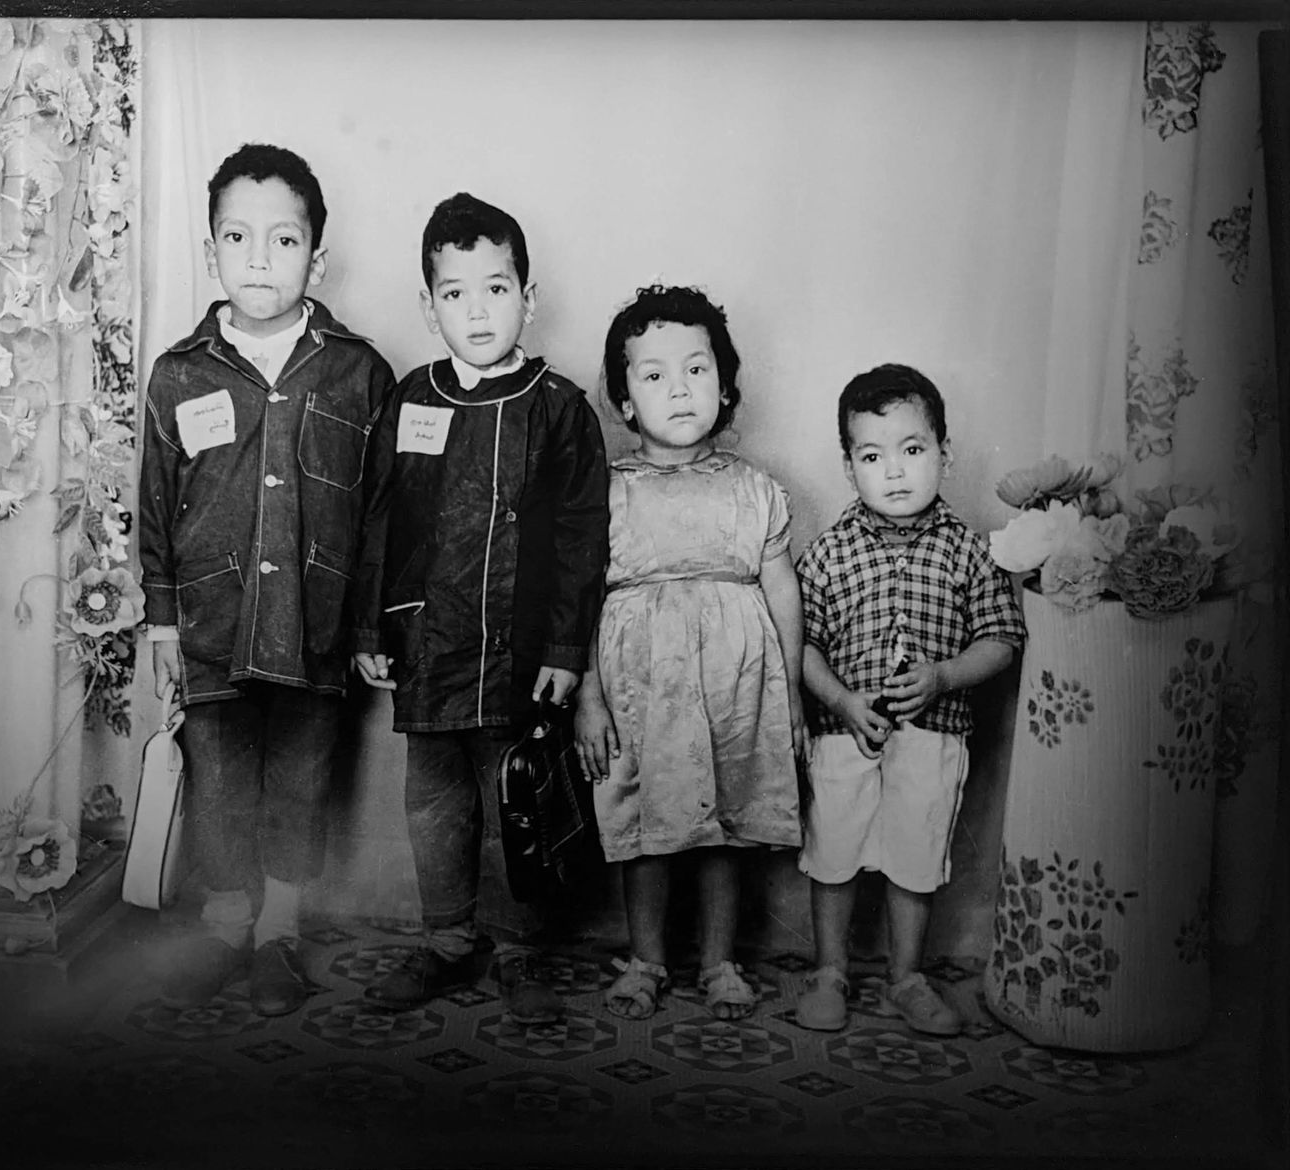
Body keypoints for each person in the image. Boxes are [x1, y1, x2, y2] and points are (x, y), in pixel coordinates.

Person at [138, 143, 396, 1017]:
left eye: (283, 241)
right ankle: (224, 925)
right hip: (212, 622)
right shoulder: (179, 373)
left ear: (316, 257)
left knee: (299, 779)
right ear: (210, 249)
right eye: (237, 237)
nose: (259, 258)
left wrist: (366, 628)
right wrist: (162, 625)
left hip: (315, 623)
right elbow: (154, 508)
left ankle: (280, 931)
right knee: (217, 778)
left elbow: (380, 519)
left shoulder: (359, 372)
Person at [349, 193, 609, 1024]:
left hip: (521, 655)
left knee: (516, 802)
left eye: (496, 288)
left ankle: (523, 953)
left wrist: (567, 651)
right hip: (429, 647)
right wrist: (370, 627)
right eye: (455, 293)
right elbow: (380, 519)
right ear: (429, 308)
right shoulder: (410, 400)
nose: (478, 310)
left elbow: (580, 539)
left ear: (528, 296)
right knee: (434, 803)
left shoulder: (560, 407)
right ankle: (449, 944)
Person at [574, 284, 805, 1021]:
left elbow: (783, 594)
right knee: (644, 824)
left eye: (696, 369)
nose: (679, 389)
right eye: (653, 375)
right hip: (641, 687)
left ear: (727, 385)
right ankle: (645, 959)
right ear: (622, 401)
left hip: (737, 689)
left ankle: (719, 961)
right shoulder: (603, 494)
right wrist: (588, 695)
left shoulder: (756, 492)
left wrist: (794, 696)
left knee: (724, 828)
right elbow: (576, 601)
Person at [793, 364, 1025, 1035]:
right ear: (848, 467)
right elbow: (800, 643)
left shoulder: (968, 552)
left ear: (944, 456)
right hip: (845, 733)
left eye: (912, 450)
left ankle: (906, 978)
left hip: (935, 733)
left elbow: (1002, 639)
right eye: (872, 455)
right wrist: (839, 700)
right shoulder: (831, 552)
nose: (894, 472)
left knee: (916, 857)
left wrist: (943, 677)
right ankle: (830, 971)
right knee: (833, 852)